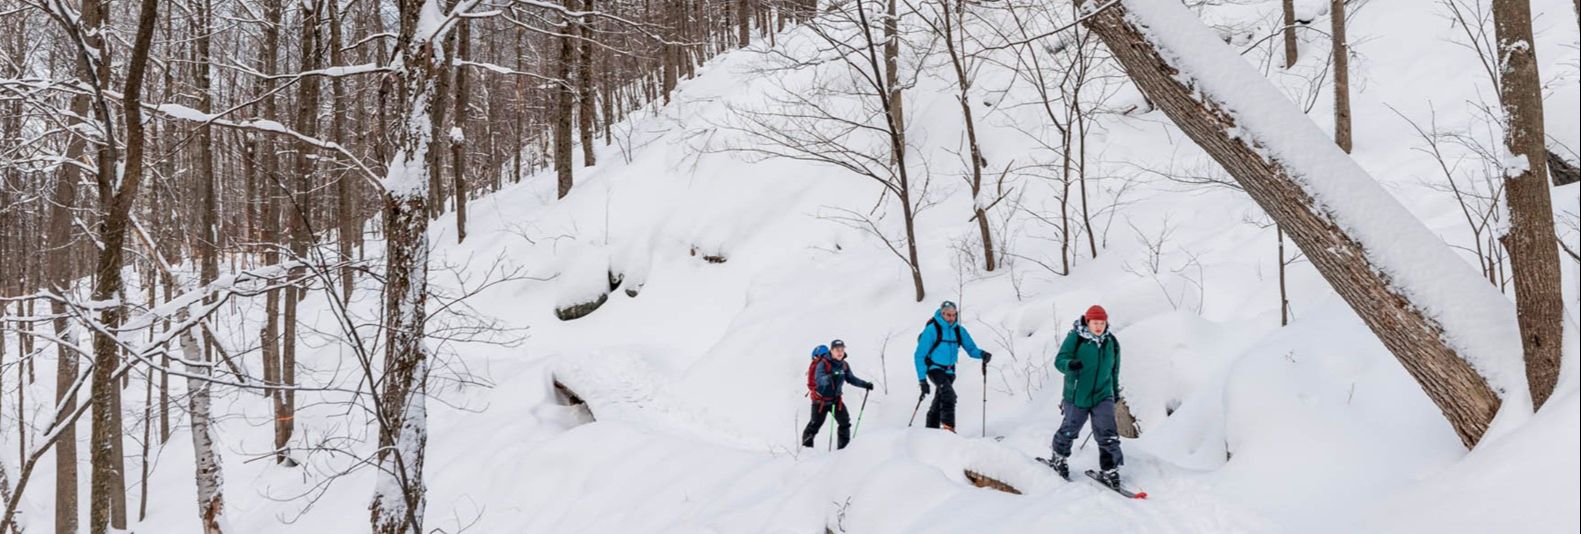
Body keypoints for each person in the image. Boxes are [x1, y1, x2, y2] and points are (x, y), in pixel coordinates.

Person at [1046, 305, 1125, 489]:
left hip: (1103, 394)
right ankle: (1059, 458)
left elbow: (1114, 370)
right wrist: (1069, 364)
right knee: (1070, 429)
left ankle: (1110, 470)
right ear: (1087, 322)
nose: (1099, 326)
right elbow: (1060, 360)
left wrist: (1115, 394)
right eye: (1095, 323)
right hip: (1077, 393)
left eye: (1102, 323)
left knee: (1108, 432)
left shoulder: (1111, 342)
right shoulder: (1076, 338)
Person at [914, 301, 991, 432]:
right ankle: (949, 429)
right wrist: (922, 380)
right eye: (948, 315)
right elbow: (919, 355)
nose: (951, 318)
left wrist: (982, 354)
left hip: (950, 371)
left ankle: (930, 432)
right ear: (942, 313)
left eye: (954, 315)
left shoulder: (959, 331)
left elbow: (971, 349)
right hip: (934, 369)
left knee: (939, 400)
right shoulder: (932, 330)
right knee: (949, 395)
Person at [802, 340, 874, 449]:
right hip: (820, 402)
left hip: (836, 400)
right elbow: (819, 380)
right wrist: (830, 376)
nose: (840, 352)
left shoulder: (844, 365)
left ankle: (843, 451)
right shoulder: (823, 363)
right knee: (814, 426)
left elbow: (851, 379)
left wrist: (865, 384)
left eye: (842, 349)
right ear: (831, 351)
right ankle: (805, 451)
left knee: (845, 423)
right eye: (837, 350)